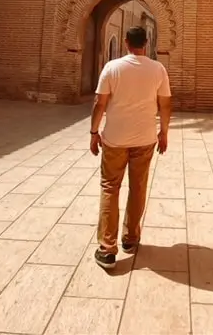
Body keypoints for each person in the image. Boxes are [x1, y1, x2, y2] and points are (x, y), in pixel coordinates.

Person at [89, 26, 172, 270]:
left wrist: (94, 133)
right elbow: (165, 104)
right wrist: (164, 132)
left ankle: (107, 249)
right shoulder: (158, 69)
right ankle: (131, 239)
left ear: (125, 42)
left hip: (114, 139)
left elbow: (99, 103)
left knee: (109, 187)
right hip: (145, 139)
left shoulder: (112, 68)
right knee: (138, 187)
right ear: (146, 43)